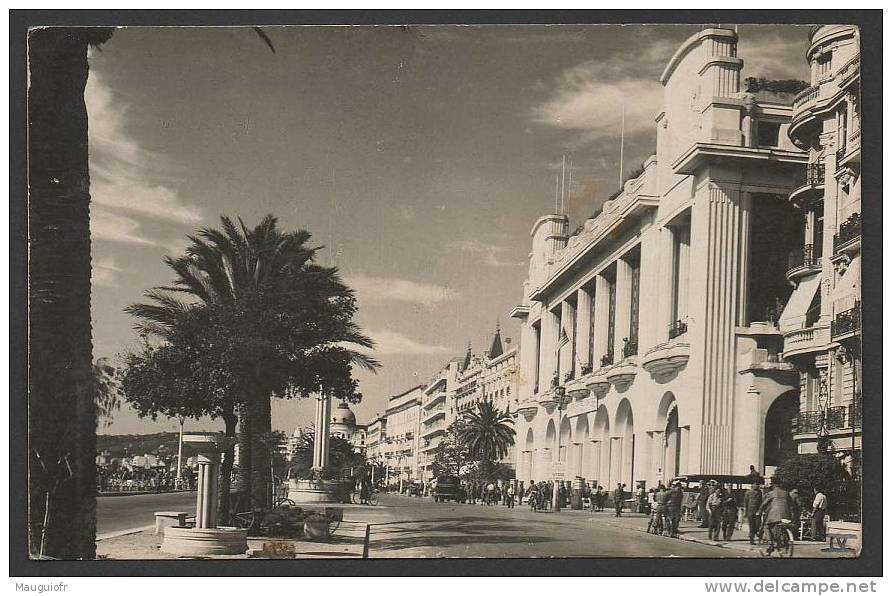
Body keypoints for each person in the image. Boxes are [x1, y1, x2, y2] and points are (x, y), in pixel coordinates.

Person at [758, 478, 795, 555]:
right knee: (782, 527)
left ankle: (770, 543)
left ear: (773, 485)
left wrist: (759, 511)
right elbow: (792, 504)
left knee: (766, 526)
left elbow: (764, 504)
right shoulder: (786, 493)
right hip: (786, 515)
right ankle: (785, 543)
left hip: (774, 515)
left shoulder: (771, 493)